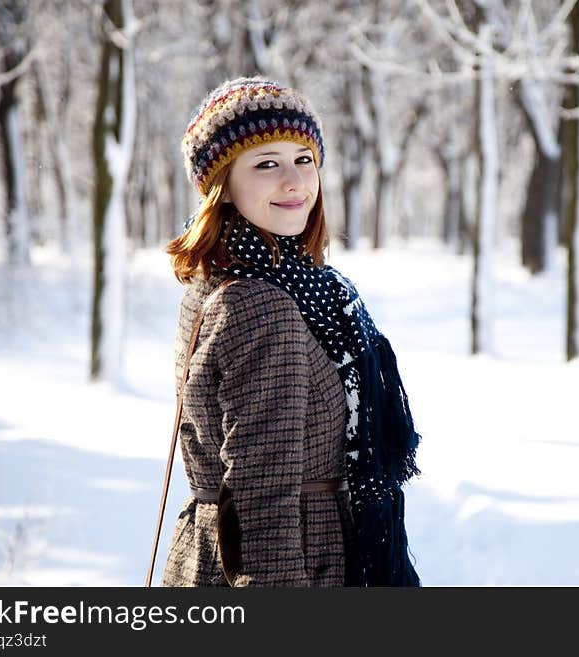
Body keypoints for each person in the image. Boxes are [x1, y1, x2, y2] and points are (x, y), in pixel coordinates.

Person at [160, 76, 421, 587]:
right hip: (292, 561)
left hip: (232, 554)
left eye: (304, 159)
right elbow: (262, 499)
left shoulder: (237, 278)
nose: (294, 181)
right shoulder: (260, 303)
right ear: (223, 186)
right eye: (266, 164)